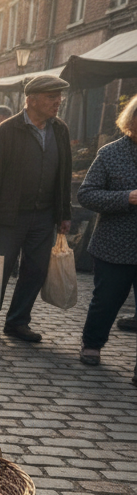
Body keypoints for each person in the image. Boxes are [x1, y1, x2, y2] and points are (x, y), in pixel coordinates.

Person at [0, 74, 73, 341]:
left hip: (44, 215)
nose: (58, 102)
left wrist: (64, 213)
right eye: (51, 97)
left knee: (36, 270)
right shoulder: (7, 129)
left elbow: (64, 173)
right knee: (2, 268)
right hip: (10, 215)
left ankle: (18, 321)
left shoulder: (60, 129)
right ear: (31, 100)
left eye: (59, 97)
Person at [76, 98, 137, 383]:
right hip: (115, 244)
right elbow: (87, 194)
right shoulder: (111, 153)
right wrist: (126, 197)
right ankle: (92, 344)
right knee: (106, 301)